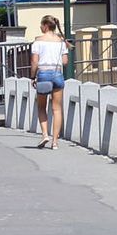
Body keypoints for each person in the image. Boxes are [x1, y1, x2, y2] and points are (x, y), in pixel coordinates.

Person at [29, 15, 68, 150]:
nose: (40, 27)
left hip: (44, 74)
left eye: (41, 25)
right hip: (57, 74)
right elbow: (65, 62)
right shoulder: (61, 42)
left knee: (41, 107)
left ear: (45, 26)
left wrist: (32, 77)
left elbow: (34, 62)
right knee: (56, 109)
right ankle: (55, 142)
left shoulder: (38, 42)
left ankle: (45, 134)